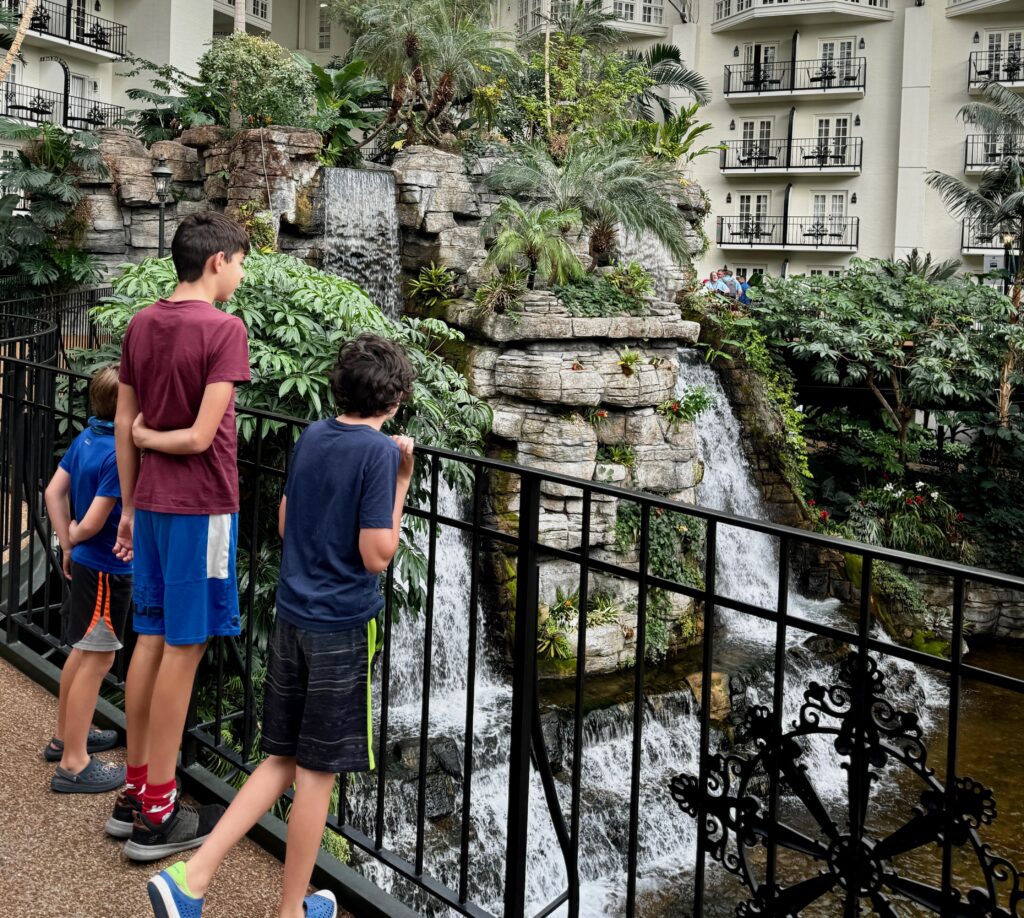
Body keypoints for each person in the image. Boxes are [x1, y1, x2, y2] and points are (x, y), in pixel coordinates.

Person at [144, 334, 417, 918]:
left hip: (293, 616)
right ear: (394, 400)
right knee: (318, 773)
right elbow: (377, 554)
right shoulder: (379, 454)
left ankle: (193, 877)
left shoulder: (315, 435)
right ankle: (290, 909)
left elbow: (288, 519)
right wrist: (400, 484)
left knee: (281, 759)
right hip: (342, 625)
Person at [109, 212, 252, 859]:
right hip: (203, 508)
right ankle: (159, 814)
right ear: (218, 261)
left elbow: (123, 422)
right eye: (241, 262)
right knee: (185, 649)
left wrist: (132, 501)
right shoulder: (225, 331)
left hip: (156, 507)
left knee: (152, 638)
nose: (241, 275)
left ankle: (136, 790)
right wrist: (154, 439)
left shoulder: (142, 322)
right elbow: (198, 436)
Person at [43, 365, 132, 793]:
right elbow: (95, 521)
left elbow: (52, 492)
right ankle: (75, 764)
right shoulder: (117, 450)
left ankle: (66, 737)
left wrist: (65, 543)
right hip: (106, 569)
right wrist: (76, 539)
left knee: (81, 651)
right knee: (99, 658)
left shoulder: (87, 436)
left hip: (86, 566)